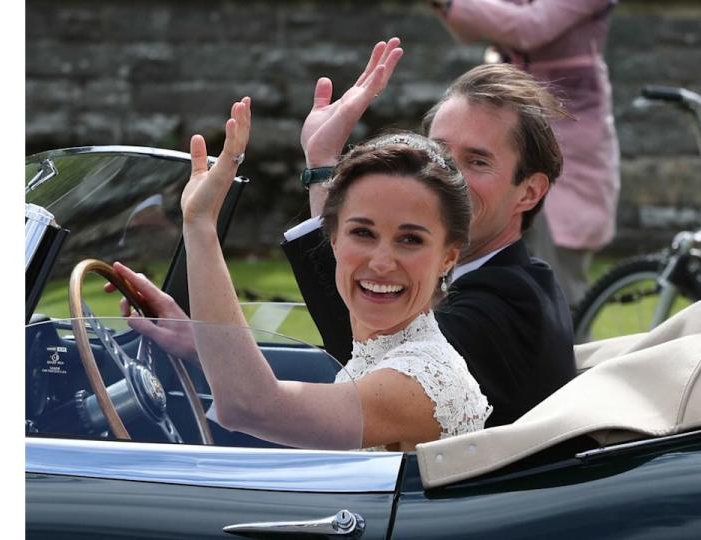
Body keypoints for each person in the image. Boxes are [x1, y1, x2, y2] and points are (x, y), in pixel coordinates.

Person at [161, 95, 490, 450]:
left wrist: (200, 225)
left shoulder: (421, 380)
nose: (381, 262)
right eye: (363, 233)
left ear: (447, 257)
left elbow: (249, 406)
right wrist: (197, 343)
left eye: (410, 239)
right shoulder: (382, 350)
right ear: (333, 240)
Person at [284, 37, 576, 427]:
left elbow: (364, 351)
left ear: (529, 192)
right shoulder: (495, 280)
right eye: (439, 153)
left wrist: (323, 166)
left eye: (477, 161)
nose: (449, 177)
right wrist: (210, 343)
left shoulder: (508, 302)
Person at [428, 0, 622, 306]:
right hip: (504, 149)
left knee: (562, 288)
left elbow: (529, 28)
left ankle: (572, 350)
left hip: (570, 154)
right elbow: (471, 28)